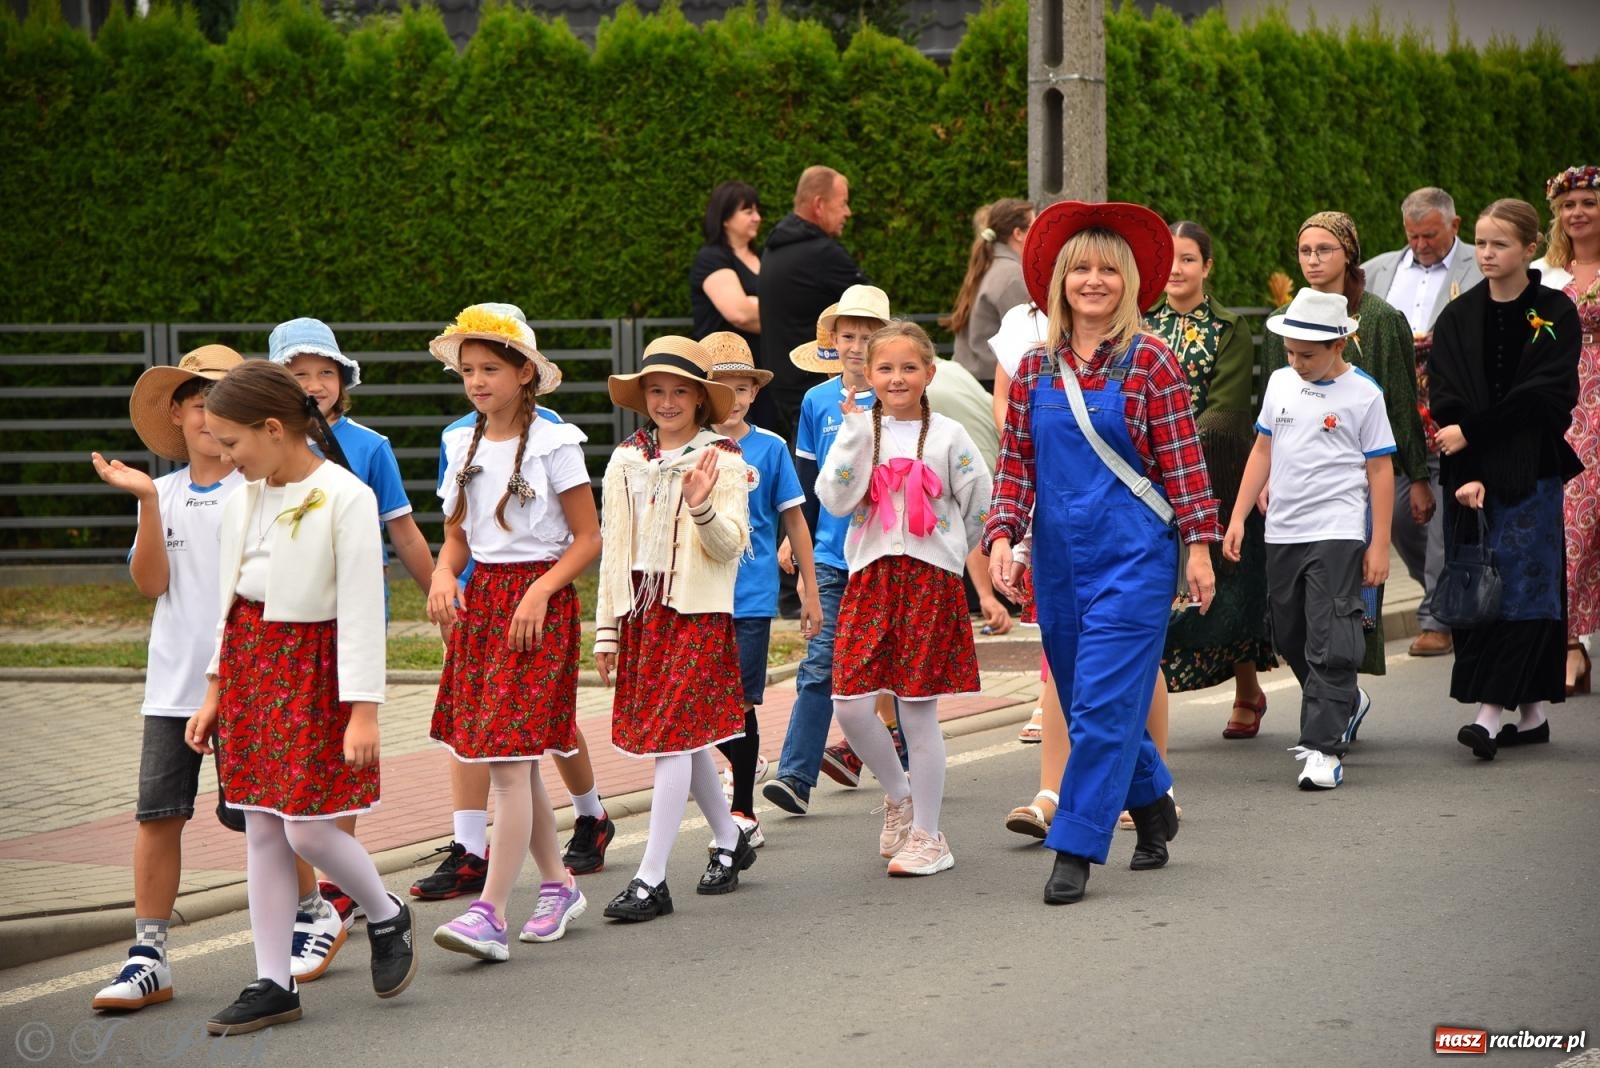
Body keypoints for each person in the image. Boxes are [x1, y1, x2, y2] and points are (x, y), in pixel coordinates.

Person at [985, 201, 1219, 906]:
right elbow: (1016, 463)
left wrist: (1199, 550)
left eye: (1106, 270)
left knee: (1098, 704)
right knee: (1092, 698)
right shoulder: (1033, 367)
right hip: (1058, 558)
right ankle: (1153, 805)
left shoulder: (1152, 361)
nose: (1093, 281)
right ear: (1059, 282)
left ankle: (1076, 847)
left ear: (1128, 283)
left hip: (1135, 556)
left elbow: (1184, 466)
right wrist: (1002, 534)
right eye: (1080, 268)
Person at [184, 360, 417, 1036]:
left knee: (309, 825)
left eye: (231, 443)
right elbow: (226, 605)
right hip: (253, 666)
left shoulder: (345, 495)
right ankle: (273, 980)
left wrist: (364, 707)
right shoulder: (242, 498)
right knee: (260, 821)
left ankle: (384, 910)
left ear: (274, 428)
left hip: (315, 667)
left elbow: (363, 609)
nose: (224, 457)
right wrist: (213, 690)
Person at [411, 312, 614, 903]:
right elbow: (457, 539)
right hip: (484, 604)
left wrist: (540, 591)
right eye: (467, 370)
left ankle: (492, 906)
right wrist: (444, 575)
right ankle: (557, 885)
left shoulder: (557, 442)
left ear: (525, 372)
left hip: (537, 603)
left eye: (490, 369)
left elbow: (588, 538)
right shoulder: (459, 442)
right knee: (509, 757)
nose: (476, 380)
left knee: (510, 758)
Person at [87, 346, 246, 1013]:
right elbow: (151, 583)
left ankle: (308, 914)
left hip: (249, 683)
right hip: (173, 689)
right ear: (177, 415)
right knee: (158, 817)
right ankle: (148, 954)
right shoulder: (166, 492)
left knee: (266, 817)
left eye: (223, 403)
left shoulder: (261, 489)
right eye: (198, 403)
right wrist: (149, 502)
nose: (210, 416)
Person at [815, 321, 992, 875]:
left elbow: (980, 500)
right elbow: (835, 499)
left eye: (908, 367)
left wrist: (951, 548)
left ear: (929, 374)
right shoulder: (858, 431)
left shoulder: (948, 435)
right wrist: (850, 436)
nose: (897, 378)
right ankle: (899, 793)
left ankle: (929, 835)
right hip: (870, 577)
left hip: (929, 581)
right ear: (868, 374)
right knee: (849, 702)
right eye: (885, 368)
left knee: (918, 709)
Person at [593, 336, 756, 921]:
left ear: (699, 400)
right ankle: (731, 839)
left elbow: (731, 546)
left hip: (697, 615)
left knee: (672, 741)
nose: (666, 401)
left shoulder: (724, 460)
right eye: (655, 391)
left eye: (679, 391)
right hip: (642, 613)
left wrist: (702, 505)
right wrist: (606, 630)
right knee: (684, 739)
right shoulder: (625, 460)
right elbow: (614, 549)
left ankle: (650, 879)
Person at [1224, 289, 1396, 789]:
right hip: (1282, 532)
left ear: (1340, 343)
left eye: (1308, 354)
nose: (1296, 363)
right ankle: (1345, 700)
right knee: (1290, 633)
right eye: (1290, 352)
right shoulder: (1280, 382)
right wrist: (1237, 518)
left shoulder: (1364, 394)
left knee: (1330, 635)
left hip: (1338, 531)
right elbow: (1262, 450)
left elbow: (1380, 469)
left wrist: (1378, 543)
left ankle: (1323, 750)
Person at [1429, 198, 1583, 759]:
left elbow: (1546, 396)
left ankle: (1489, 716)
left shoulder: (1555, 313)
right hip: (1468, 478)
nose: (1487, 253)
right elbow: (1443, 395)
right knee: (1478, 586)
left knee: (1524, 591)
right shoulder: (1458, 315)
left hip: (1528, 473)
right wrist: (1466, 465)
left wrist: (1473, 432)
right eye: (1482, 243)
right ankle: (1534, 713)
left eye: (1499, 244)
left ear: (1529, 248)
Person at [1263, 211, 1430, 693]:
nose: (1313, 260)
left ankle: (1340, 692)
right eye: (1305, 251)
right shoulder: (1288, 320)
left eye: (1324, 250)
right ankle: (1334, 694)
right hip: (1301, 481)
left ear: (1349, 254)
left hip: (1359, 478)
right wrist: (1270, 474)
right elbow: (1276, 409)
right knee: (1299, 608)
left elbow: (1400, 400)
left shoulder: (1378, 318)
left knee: (1352, 595)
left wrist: (1416, 477)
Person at [762, 287, 894, 815]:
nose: (857, 345)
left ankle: (907, 757)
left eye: (868, 336)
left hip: (886, 555)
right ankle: (795, 775)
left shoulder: (898, 395)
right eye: (848, 335)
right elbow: (806, 484)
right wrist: (796, 548)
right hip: (833, 559)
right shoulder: (817, 402)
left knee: (895, 668)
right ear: (832, 341)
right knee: (821, 664)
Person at [1146, 221, 1277, 735]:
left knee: (1228, 586)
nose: (1176, 270)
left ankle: (1248, 690)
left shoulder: (1229, 328)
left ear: (1207, 267)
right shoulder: (1136, 322)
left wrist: (1172, 450)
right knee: (1154, 591)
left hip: (1214, 474)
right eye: (1169, 260)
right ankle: (1145, 709)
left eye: (1188, 259)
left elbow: (1225, 413)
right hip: (1142, 477)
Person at [702, 331, 821, 845]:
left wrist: (809, 592)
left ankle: (744, 810)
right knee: (705, 703)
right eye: (720, 388)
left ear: (754, 392)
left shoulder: (770, 448)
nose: (733, 399)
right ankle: (743, 759)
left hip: (749, 598)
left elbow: (794, 521)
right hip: (694, 596)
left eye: (743, 389)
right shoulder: (688, 446)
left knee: (740, 700)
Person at [1362, 188, 1483, 657]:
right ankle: (1444, 596)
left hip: (1450, 408)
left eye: (1430, 235)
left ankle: (1437, 618)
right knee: (1400, 523)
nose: (1420, 244)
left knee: (1441, 519)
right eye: (1412, 235)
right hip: (1393, 416)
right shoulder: (1377, 270)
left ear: (1455, 225)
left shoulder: (1480, 262)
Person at [1531, 164, 1600, 696]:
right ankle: (1571, 643)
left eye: (1588, 203)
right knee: (1571, 523)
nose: (1578, 213)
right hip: (1566, 409)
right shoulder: (1542, 276)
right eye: (1569, 205)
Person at [755, 166, 868, 443]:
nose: (848, 212)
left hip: (781, 385)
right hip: (818, 386)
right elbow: (871, 306)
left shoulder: (773, 248)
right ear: (819, 204)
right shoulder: (821, 253)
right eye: (842, 203)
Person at [949, 198, 1034, 391]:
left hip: (973, 377)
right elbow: (1026, 337)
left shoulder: (990, 265)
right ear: (1018, 233)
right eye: (1033, 226)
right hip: (992, 383)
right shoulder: (1012, 275)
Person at [690, 181, 763, 350]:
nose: (757, 218)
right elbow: (740, 315)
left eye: (758, 211)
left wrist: (755, 303)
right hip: (721, 369)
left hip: (763, 366)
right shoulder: (711, 259)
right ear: (725, 218)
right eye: (748, 212)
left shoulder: (764, 257)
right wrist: (782, 318)